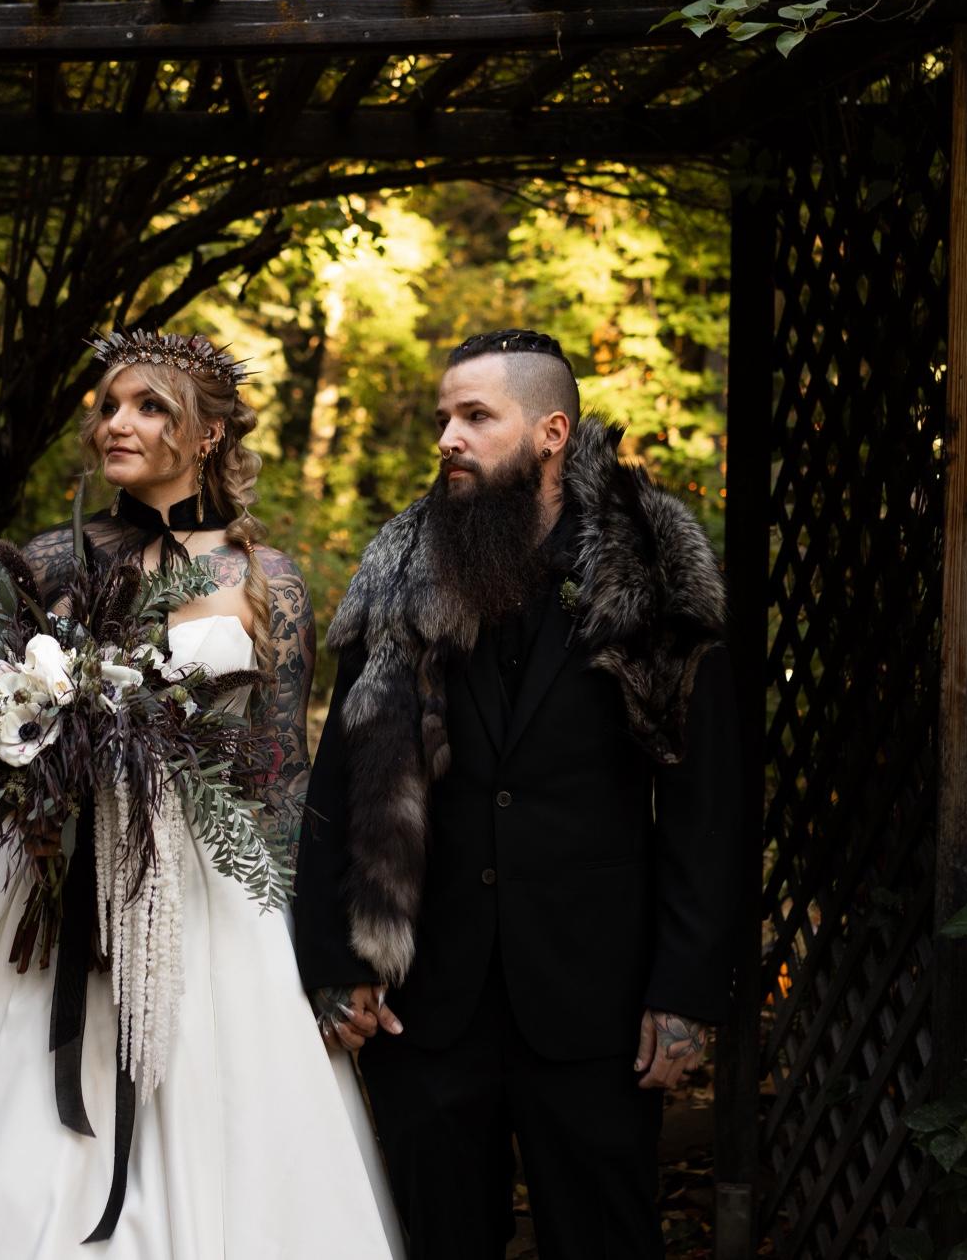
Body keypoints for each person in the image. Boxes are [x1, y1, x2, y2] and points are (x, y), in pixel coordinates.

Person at [0, 329, 403, 1259]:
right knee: (22, 1135)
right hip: (53, 881)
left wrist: (322, 957)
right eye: (109, 406)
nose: (115, 424)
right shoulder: (52, 559)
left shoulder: (267, 579)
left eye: (148, 406)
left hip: (208, 891)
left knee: (225, 1122)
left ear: (207, 433)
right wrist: (32, 795)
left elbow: (281, 777)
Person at [293, 328, 742, 1259]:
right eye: (444, 418)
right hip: (425, 1001)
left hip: (597, 1004)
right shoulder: (400, 568)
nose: (447, 438)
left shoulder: (649, 571)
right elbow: (340, 774)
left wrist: (686, 991)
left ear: (551, 433)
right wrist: (338, 959)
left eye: (474, 416)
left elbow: (705, 806)